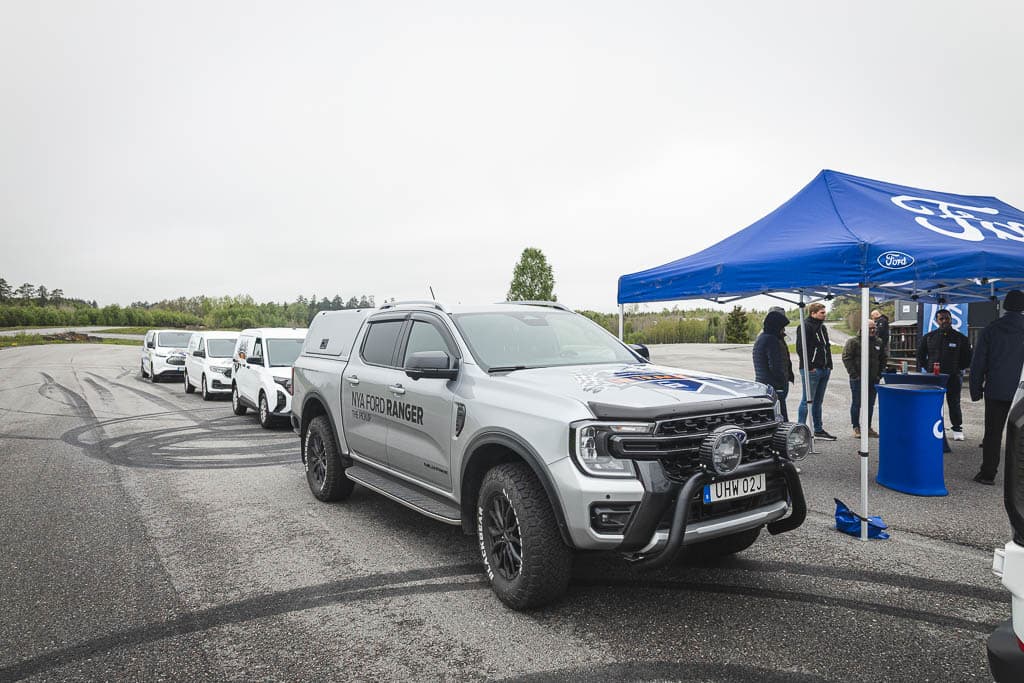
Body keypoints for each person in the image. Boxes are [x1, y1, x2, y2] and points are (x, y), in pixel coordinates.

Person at [969, 290, 1024, 485]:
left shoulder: (991, 329)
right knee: (1021, 435)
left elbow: (978, 362)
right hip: (1021, 392)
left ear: (1006, 306)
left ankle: (988, 473)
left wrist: (975, 390)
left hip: (996, 389)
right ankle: (1018, 478)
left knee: (992, 433)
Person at [916, 308, 972, 440]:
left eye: (947, 318)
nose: (944, 321)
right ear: (936, 321)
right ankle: (931, 427)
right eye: (941, 319)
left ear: (951, 319)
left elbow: (968, 358)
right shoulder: (929, 337)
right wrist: (928, 367)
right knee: (933, 403)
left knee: (954, 403)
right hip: (934, 378)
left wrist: (958, 368)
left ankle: (957, 429)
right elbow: (920, 356)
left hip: (953, 376)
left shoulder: (960, 338)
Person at [795, 302, 837, 440]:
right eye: (822, 312)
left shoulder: (822, 327)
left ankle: (818, 429)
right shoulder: (805, 326)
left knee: (818, 401)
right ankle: (800, 430)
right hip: (812, 369)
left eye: (825, 312)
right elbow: (801, 348)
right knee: (807, 400)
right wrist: (809, 366)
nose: (825, 315)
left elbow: (826, 347)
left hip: (824, 368)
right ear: (813, 313)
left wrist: (829, 364)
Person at [842, 319, 886, 438]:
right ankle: (856, 427)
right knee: (857, 403)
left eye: (874, 328)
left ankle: (868, 427)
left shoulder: (879, 341)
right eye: (869, 328)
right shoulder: (853, 342)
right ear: (862, 328)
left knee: (870, 404)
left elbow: (883, 358)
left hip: (873, 379)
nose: (872, 330)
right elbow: (846, 358)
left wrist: (879, 374)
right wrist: (854, 375)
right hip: (858, 379)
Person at [753, 310, 793, 420]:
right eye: (782, 327)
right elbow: (775, 365)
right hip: (774, 385)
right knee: (780, 418)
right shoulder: (772, 340)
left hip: (764, 383)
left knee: (769, 416)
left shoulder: (762, 338)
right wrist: (782, 381)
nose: (783, 330)